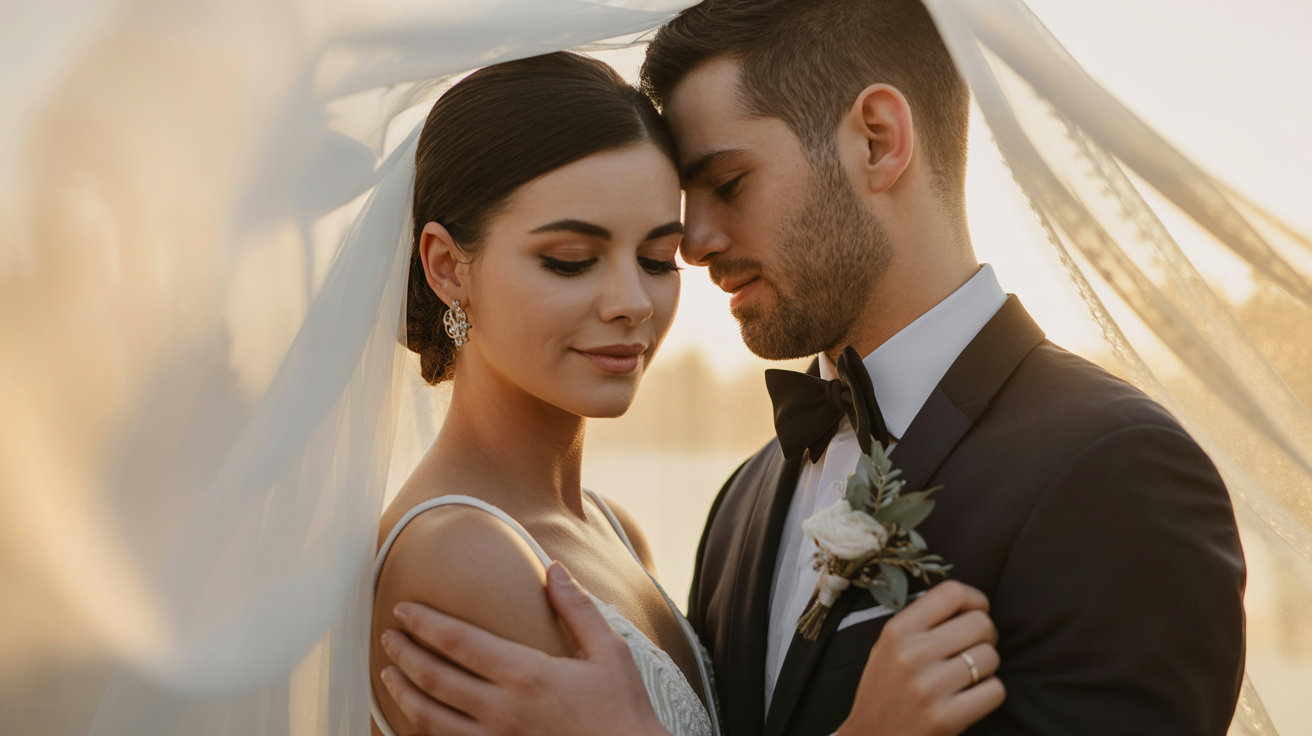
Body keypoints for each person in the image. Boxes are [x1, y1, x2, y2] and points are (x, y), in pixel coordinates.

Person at [377, 1, 1246, 735]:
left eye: (728, 185)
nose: (700, 246)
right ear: (449, 265)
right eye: (573, 258)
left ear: (876, 140)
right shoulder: (745, 504)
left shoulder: (1112, 472)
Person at [368, 49, 1003, 736]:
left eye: (655, 259)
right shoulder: (462, 553)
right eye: (570, 261)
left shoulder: (613, 531)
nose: (631, 302)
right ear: (445, 267)